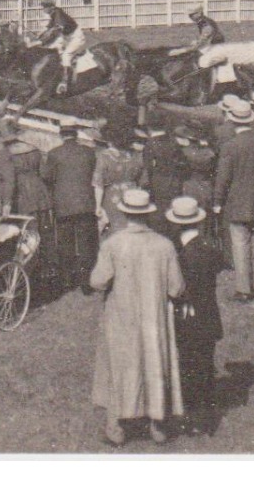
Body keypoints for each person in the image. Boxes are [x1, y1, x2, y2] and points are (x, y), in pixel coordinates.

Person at [89, 189, 186, 447]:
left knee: (119, 364)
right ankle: (157, 425)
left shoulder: (113, 244)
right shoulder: (164, 245)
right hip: (154, 317)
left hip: (122, 316)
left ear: (123, 212)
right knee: (154, 363)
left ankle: (116, 426)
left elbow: (97, 281)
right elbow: (176, 288)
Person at [167, 196, 224, 436]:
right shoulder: (209, 248)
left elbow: (178, 288)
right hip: (208, 315)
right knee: (205, 365)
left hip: (188, 317)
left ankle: (193, 418)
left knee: (189, 367)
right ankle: (207, 417)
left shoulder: (181, 254)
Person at [212, 99, 254, 301]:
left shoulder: (230, 146)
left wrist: (217, 201)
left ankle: (244, 289)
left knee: (240, 244)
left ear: (234, 121)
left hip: (237, 202)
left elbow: (223, 178)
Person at [43, 124, 100, 294]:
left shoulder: (54, 154)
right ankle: (86, 283)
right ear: (75, 135)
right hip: (85, 202)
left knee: (65, 242)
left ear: (61, 135)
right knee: (86, 244)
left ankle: (67, 280)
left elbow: (47, 177)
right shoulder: (89, 152)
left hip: (63, 204)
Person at [138, 126, 187, 237]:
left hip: (158, 185)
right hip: (174, 184)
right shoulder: (174, 142)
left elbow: (147, 168)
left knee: (158, 220)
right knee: (172, 218)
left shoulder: (151, 144)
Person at [36, 3, 87, 96]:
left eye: (45, 7)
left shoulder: (59, 15)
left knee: (65, 55)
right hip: (66, 37)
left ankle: (65, 81)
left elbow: (54, 32)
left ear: (51, 7)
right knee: (52, 49)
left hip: (76, 38)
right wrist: (40, 37)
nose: (43, 9)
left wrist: (40, 41)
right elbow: (49, 29)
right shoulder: (54, 14)